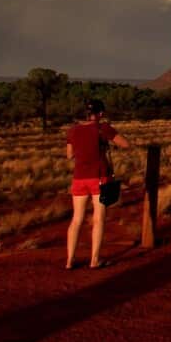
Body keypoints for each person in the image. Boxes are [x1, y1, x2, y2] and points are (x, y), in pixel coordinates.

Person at [65, 99, 130, 270]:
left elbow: (69, 155)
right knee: (99, 218)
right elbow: (125, 143)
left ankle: (69, 260)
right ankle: (94, 260)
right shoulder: (103, 128)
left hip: (79, 178)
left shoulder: (72, 131)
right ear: (100, 114)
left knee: (77, 219)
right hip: (99, 178)